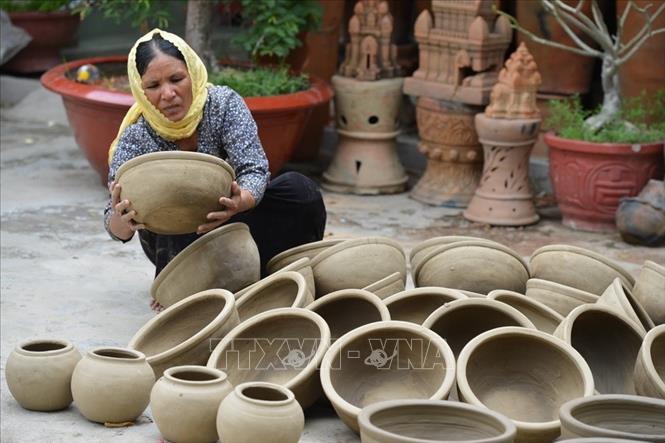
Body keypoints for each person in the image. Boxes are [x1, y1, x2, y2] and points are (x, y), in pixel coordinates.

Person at [104, 29, 326, 310]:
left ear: (193, 73)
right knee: (177, 204)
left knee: (299, 191)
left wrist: (240, 201)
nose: (168, 94)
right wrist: (121, 223)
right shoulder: (136, 136)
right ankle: (184, 284)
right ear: (140, 90)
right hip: (179, 239)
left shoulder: (223, 104)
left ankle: (276, 270)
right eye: (153, 86)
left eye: (176, 79)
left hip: (234, 215)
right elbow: (112, 220)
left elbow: (254, 169)